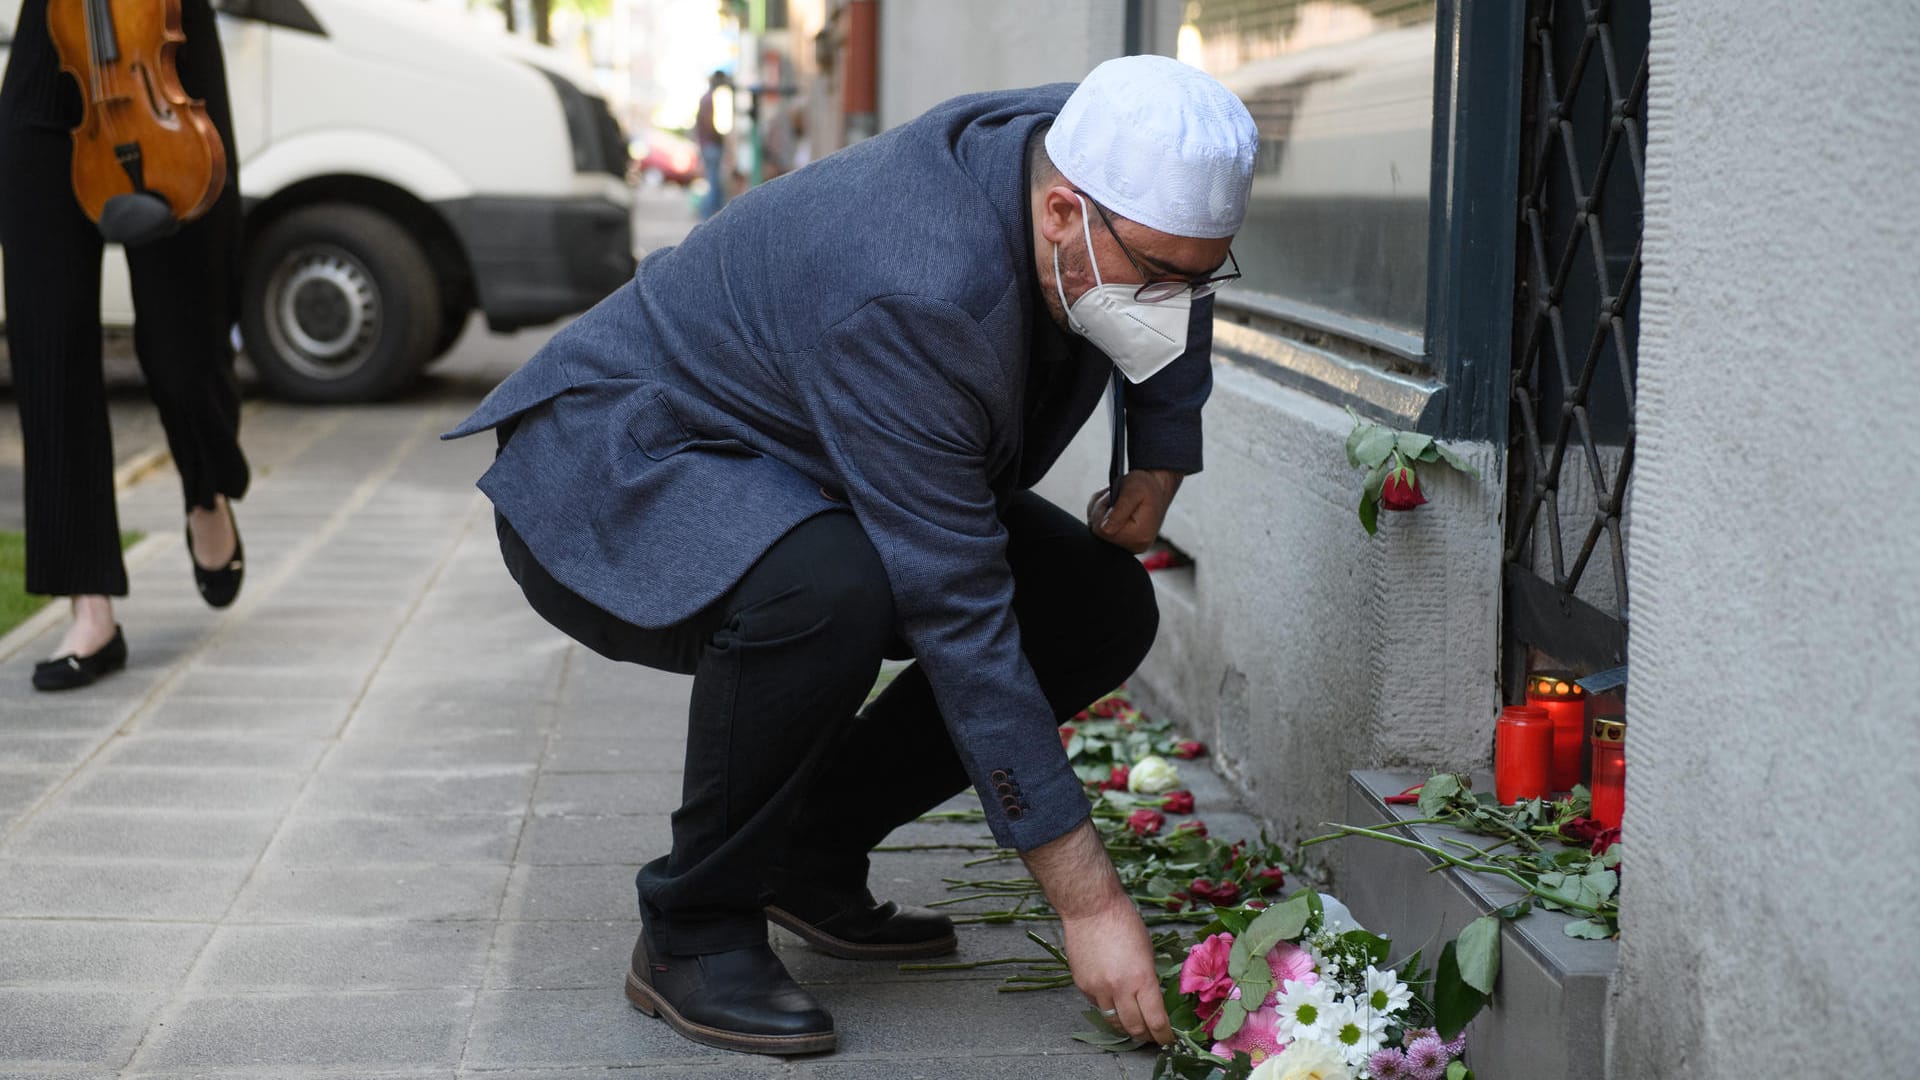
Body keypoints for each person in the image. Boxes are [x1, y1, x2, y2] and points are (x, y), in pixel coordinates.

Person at [445, 55, 1255, 1055]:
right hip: (625, 460)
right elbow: (960, 613)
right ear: (1059, 215)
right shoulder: (918, 289)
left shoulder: (1113, 150)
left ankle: (807, 853)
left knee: (1098, 605)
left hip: (807, 446)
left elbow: (1185, 268)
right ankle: (695, 927)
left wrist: (1161, 456)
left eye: (1199, 271)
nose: (1179, 298)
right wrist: (1088, 905)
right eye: (1159, 278)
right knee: (830, 590)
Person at [0, 0, 249, 691]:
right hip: (50, 63)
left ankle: (206, 488)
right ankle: (89, 607)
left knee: (184, 343)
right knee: (47, 339)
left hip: (160, 56)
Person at [693, 70, 731, 220]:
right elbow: (711, 125)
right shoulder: (710, 99)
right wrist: (720, 138)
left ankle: (713, 216)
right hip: (711, 146)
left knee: (715, 183)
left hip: (708, 145)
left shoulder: (707, 98)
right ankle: (710, 217)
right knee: (714, 184)